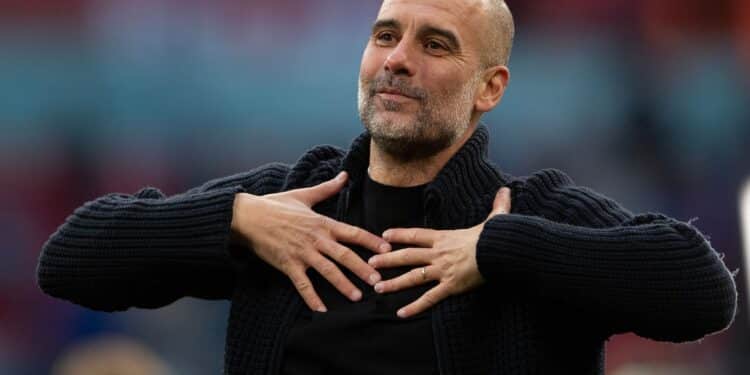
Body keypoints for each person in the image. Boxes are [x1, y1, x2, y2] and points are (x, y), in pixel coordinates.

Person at [37, 0, 737, 374]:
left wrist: (500, 252)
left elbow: (700, 288)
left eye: (435, 45)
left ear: (489, 88)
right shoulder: (292, 199)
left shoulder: (529, 213)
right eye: (384, 35)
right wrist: (236, 217)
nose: (397, 60)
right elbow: (70, 259)